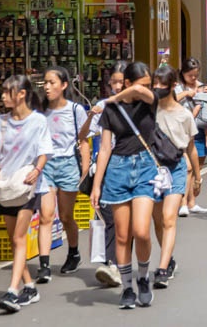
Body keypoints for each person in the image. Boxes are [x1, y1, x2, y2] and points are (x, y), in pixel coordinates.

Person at [89, 62, 159, 309]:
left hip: (145, 168)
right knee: (121, 234)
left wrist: (115, 97)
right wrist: (97, 185)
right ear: (128, 82)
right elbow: (105, 148)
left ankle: (143, 276)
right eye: (142, 82)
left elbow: (143, 94)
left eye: (149, 83)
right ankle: (128, 287)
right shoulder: (111, 111)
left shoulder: (149, 101)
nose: (148, 87)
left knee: (141, 231)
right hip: (117, 169)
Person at [0, 76, 53, 313]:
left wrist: (37, 170)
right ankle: (29, 285)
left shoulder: (38, 122)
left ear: (22, 94)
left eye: (7, 92)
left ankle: (12, 291)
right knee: (14, 240)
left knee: (19, 237)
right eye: (2, 92)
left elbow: (45, 151)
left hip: (28, 185)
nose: (3, 96)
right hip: (7, 186)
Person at [36, 66, 88, 283]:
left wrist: (84, 169)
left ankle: (73, 253)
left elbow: (84, 140)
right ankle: (44, 265)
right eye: (45, 83)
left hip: (68, 166)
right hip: (46, 166)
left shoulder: (76, 110)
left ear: (64, 85)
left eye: (52, 83)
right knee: (46, 216)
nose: (47, 87)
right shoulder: (39, 113)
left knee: (66, 216)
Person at [150, 66, 201, 288]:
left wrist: (198, 177)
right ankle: (168, 258)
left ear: (172, 86)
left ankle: (162, 269)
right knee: (157, 220)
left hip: (176, 168)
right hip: (152, 170)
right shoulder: (148, 112)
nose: (157, 88)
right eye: (155, 84)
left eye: (162, 84)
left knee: (169, 218)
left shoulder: (184, 115)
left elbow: (191, 148)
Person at [79, 61, 127, 287]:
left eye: (121, 81)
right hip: (106, 168)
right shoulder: (102, 106)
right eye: (113, 82)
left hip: (132, 167)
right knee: (108, 216)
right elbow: (84, 135)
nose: (117, 86)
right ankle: (112, 264)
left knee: (132, 223)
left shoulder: (136, 105)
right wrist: (91, 116)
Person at [174, 57, 207, 215]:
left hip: (199, 130)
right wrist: (187, 93)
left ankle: (192, 202)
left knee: (196, 168)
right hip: (180, 131)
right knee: (188, 168)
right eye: (190, 75)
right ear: (183, 74)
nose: (193, 78)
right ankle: (183, 203)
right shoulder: (178, 87)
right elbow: (170, 100)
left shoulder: (203, 87)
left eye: (195, 75)